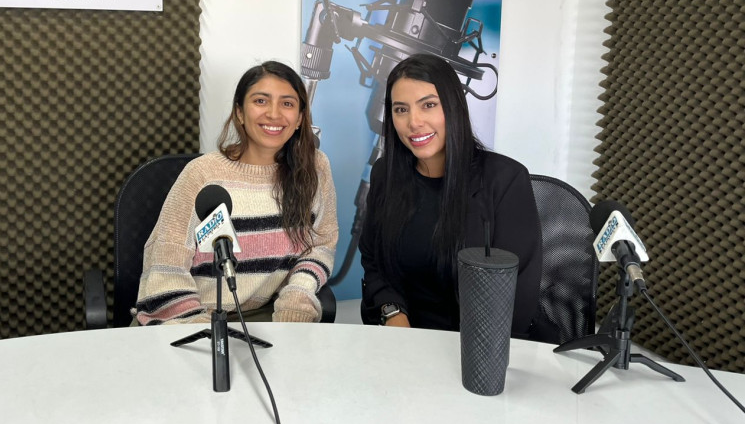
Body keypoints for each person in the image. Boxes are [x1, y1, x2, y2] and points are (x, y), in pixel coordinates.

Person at [133, 61, 338, 325]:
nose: (274, 114)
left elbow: (321, 245)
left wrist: (297, 295)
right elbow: (165, 266)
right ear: (240, 112)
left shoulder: (316, 168)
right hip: (191, 320)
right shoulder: (202, 175)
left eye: (287, 104)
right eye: (261, 101)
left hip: (266, 320)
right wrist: (200, 332)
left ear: (299, 118)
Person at [360, 53, 542, 337]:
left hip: (479, 352)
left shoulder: (505, 180)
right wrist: (392, 312)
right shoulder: (386, 174)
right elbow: (374, 260)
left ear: (453, 106)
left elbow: (515, 294)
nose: (414, 122)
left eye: (428, 105)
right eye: (401, 109)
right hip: (401, 343)